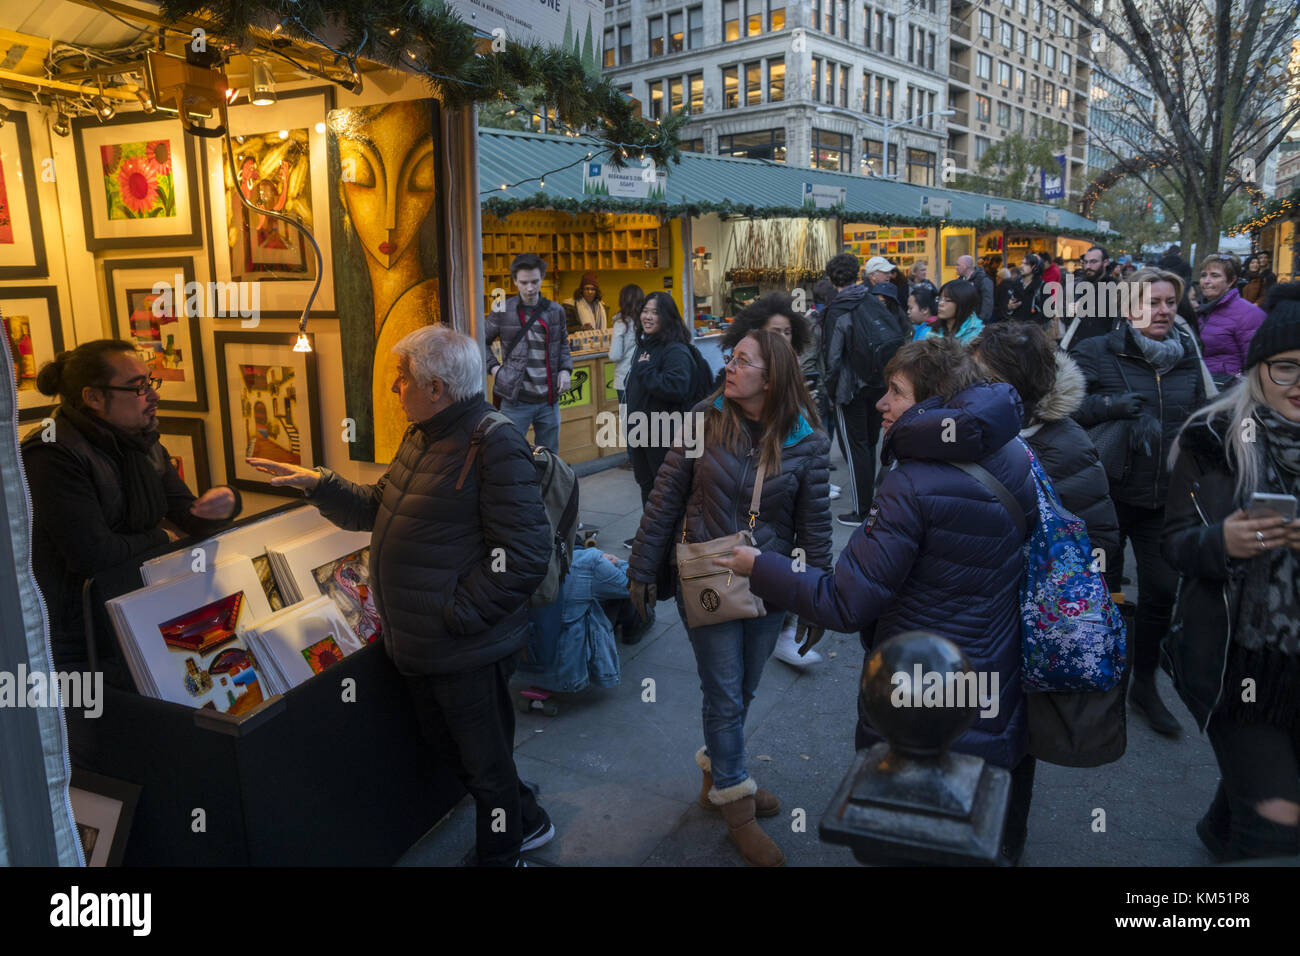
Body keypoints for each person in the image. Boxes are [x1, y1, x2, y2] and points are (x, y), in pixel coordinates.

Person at [719, 338, 1038, 864]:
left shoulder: (911, 483)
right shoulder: (1010, 450)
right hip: (991, 674)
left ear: (937, 402)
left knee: (906, 840)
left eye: (895, 392)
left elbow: (846, 602)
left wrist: (761, 567)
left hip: (918, 691)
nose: (879, 404)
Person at [248, 325, 554, 868]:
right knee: (455, 754)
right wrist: (316, 484)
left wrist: (456, 614)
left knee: (485, 766)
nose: (395, 387)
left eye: (403, 377)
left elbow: (525, 554)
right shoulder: (424, 434)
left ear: (436, 387)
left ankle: (503, 852)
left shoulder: (493, 440)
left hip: (462, 645)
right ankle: (528, 817)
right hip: (420, 643)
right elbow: (374, 507)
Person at [627, 328, 832, 867]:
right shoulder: (703, 417)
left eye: (742, 361)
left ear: (772, 377)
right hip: (708, 579)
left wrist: (817, 597)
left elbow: (816, 527)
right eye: (731, 357)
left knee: (743, 688)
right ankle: (737, 805)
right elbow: (665, 495)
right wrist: (643, 567)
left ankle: (719, 771)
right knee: (723, 692)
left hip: (769, 583)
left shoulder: (807, 439)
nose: (729, 368)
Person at [1163, 283, 1300, 861]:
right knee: (1281, 821)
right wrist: (1223, 541)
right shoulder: (1211, 438)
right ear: (1256, 368)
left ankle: (1225, 828)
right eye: (1287, 369)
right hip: (1237, 662)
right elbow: (1172, 544)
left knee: (1269, 786)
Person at [21, 340, 241, 674]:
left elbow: (191, 515)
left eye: (150, 382)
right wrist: (163, 537)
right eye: (138, 387)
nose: (153, 396)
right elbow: (94, 554)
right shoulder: (52, 453)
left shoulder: (142, 442)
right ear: (93, 398)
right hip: (81, 640)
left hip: (138, 611)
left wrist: (227, 503)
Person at [1070, 267, 1208, 737]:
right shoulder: (1097, 350)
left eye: (1170, 302)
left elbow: (1199, 418)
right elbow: (1066, 409)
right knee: (1104, 594)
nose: (1163, 310)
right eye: (1151, 302)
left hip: (1164, 497)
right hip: (1106, 496)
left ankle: (1144, 685)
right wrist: (1110, 406)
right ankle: (1100, 684)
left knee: (1162, 593)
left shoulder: (1189, 356)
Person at [971, 322, 1120, 555]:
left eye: (985, 381)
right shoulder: (971, 433)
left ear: (1018, 383)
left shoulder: (1068, 447)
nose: (971, 390)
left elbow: (1098, 541)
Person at [822, 252, 904, 527]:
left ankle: (861, 510)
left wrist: (831, 390)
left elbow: (832, 357)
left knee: (855, 446)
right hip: (877, 382)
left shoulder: (838, 307)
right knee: (869, 444)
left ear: (831, 278)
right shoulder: (870, 299)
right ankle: (874, 503)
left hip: (850, 387)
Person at [624, 291, 707, 506]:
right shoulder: (647, 346)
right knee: (648, 488)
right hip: (643, 433)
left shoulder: (675, 350)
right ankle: (650, 535)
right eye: (645, 311)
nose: (648, 317)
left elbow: (677, 387)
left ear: (667, 317)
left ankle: (668, 538)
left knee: (665, 493)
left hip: (664, 436)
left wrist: (644, 370)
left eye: (655, 312)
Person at [484, 252, 572, 452]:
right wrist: (495, 369)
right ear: (515, 281)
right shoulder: (502, 311)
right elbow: (480, 342)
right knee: (509, 454)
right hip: (515, 399)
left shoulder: (555, 311)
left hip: (549, 400)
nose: (530, 288)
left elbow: (563, 345)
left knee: (549, 459)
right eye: (524, 282)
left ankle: (545, 485)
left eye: (535, 281)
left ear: (542, 278)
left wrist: (566, 370)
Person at [1194, 253, 1266, 385]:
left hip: (1228, 389)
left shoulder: (1248, 314)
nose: (1206, 281)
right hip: (1202, 385)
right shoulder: (1200, 310)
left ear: (1231, 281)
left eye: (1215, 275)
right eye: (1203, 275)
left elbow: (1255, 364)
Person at [1063, 244, 1121, 347]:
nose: (1088, 266)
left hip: (1100, 352)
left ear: (1105, 262)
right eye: (1085, 262)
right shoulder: (1079, 286)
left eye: (1093, 262)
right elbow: (1067, 319)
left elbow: (1118, 328)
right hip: (1075, 349)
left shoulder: (1117, 289)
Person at [607, 283, 643, 406]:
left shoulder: (621, 323)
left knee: (628, 421)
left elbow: (615, 355)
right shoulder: (647, 322)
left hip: (624, 379)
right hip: (645, 377)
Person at [955, 254, 996, 325]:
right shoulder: (960, 280)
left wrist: (981, 322)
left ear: (965, 266)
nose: (955, 267)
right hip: (963, 323)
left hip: (977, 323)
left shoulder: (983, 280)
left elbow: (987, 303)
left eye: (958, 265)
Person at [1007, 253, 1046, 326]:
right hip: (1015, 330)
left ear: (1035, 267)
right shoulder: (1015, 284)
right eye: (1022, 263)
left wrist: (1033, 324)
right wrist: (1009, 307)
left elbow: (1048, 313)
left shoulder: (1043, 287)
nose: (1021, 266)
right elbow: (1006, 308)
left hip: (1033, 332)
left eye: (1026, 264)